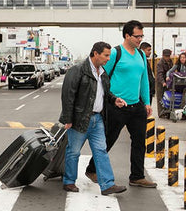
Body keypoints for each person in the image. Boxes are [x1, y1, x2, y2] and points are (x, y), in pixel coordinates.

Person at [85, 20, 156, 188]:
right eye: (137, 36)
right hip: (117, 106)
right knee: (109, 139)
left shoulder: (140, 56)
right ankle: (92, 169)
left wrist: (146, 102)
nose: (140, 39)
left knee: (139, 141)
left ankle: (137, 176)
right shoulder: (116, 53)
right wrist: (110, 98)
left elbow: (144, 80)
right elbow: (103, 77)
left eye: (141, 36)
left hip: (136, 105)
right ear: (127, 35)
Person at [61, 41, 127, 195]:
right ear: (95, 53)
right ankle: (69, 181)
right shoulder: (77, 71)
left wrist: (113, 99)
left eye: (109, 55)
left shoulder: (102, 72)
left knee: (101, 151)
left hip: (97, 120)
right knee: (74, 152)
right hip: (79, 119)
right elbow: (68, 96)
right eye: (106, 55)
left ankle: (107, 185)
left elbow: (104, 93)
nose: (108, 58)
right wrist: (68, 119)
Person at [155, 48, 173, 118]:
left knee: (167, 97)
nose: (167, 58)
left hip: (168, 82)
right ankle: (161, 113)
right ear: (163, 56)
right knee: (160, 97)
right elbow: (159, 74)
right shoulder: (160, 63)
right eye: (166, 56)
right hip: (160, 82)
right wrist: (163, 82)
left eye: (168, 56)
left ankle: (167, 111)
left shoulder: (170, 61)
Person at [140, 42, 156, 106]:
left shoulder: (145, 60)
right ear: (142, 50)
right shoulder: (140, 61)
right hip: (144, 92)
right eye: (148, 50)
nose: (150, 52)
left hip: (149, 90)